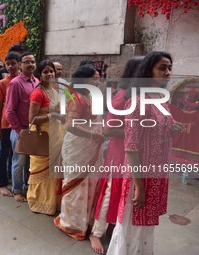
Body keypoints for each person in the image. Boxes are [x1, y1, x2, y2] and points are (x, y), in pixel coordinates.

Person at [107, 51, 184, 255]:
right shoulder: (138, 102)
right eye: (162, 67)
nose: (167, 72)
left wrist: (171, 128)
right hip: (139, 176)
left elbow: (156, 130)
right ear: (148, 71)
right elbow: (131, 148)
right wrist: (139, 187)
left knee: (146, 225)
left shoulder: (160, 98)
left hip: (157, 171)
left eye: (169, 68)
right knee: (132, 225)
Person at [89, 56, 144, 254]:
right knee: (111, 190)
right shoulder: (122, 96)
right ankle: (96, 231)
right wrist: (139, 134)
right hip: (120, 151)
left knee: (125, 193)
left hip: (134, 152)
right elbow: (109, 130)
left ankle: (114, 225)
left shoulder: (141, 96)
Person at [54, 65, 104, 240]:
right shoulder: (77, 98)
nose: (98, 81)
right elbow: (69, 125)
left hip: (89, 146)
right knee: (76, 184)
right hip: (78, 146)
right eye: (94, 78)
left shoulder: (89, 96)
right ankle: (71, 223)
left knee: (89, 182)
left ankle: (84, 221)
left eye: (98, 77)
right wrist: (92, 135)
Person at [27, 60, 65, 215]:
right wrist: (53, 115)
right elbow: (32, 119)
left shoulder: (54, 91)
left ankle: (54, 202)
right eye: (46, 72)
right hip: (43, 137)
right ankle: (38, 201)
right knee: (41, 171)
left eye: (51, 71)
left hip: (56, 136)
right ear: (40, 75)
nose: (50, 74)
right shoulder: (37, 93)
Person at [6, 52, 40, 202]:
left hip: (33, 129)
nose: (31, 64)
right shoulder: (15, 83)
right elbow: (9, 111)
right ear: (20, 65)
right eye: (27, 62)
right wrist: (20, 131)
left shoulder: (37, 81)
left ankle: (27, 186)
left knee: (30, 162)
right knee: (18, 162)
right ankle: (17, 190)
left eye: (32, 61)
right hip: (20, 130)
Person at [0, 52, 20, 196]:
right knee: (3, 152)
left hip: (20, 123)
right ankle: (2, 183)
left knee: (16, 154)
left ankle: (15, 180)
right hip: (6, 123)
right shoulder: (3, 83)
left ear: (19, 64)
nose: (11, 66)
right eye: (8, 63)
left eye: (13, 63)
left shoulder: (25, 80)